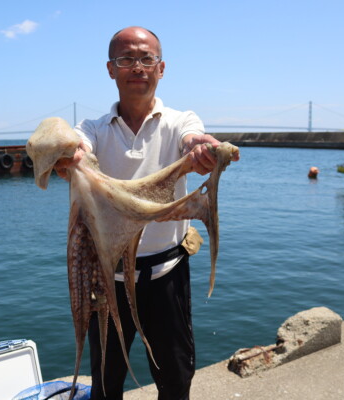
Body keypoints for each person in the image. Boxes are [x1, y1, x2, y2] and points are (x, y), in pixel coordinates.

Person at [56, 26, 227, 400]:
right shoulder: (94, 129)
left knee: (176, 378)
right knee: (105, 382)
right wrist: (68, 155)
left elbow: (192, 139)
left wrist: (201, 149)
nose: (138, 67)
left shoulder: (180, 121)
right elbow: (76, 146)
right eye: (126, 59)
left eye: (146, 58)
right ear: (111, 69)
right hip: (107, 277)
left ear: (161, 68)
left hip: (167, 275)